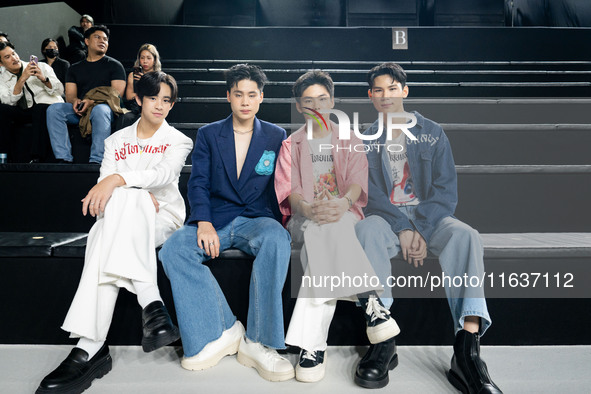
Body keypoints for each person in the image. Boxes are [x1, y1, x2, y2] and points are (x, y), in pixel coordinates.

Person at [36, 71, 193, 394]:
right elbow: (103, 200)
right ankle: (152, 305)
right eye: (153, 98)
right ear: (138, 99)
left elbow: (163, 175)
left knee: (103, 231)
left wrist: (120, 181)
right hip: (124, 219)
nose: (160, 106)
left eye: (167, 100)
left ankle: (89, 348)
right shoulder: (115, 141)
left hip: (163, 217)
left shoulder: (178, 140)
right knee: (107, 226)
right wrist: (130, 194)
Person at [354, 62, 503, 393]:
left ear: (404, 91)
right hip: (385, 216)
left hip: (429, 217)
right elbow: (367, 193)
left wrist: (419, 228)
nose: (385, 95)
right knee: (365, 232)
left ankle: (468, 350)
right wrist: (401, 226)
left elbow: (445, 190)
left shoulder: (432, 132)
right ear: (370, 96)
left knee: (466, 236)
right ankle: (383, 336)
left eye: (392, 88)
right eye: (378, 90)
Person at [159, 64, 294, 382]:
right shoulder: (208, 133)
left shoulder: (276, 136)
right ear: (228, 97)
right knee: (174, 248)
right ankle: (222, 329)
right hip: (216, 218)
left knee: (277, 239)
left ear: (261, 97)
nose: (245, 101)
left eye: (251, 95)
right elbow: (198, 182)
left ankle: (258, 342)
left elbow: (285, 181)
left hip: (256, 219)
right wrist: (203, 222)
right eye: (238, 95)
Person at [274, 70, 400, 383]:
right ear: (300, 106)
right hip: (305, 218)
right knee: (321, 228)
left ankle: (312, 347)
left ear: (331, 101)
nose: (316, 106)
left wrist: (342, 203)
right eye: (308, 101)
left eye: (322, 99)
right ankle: (371, 301)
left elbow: (357, 183)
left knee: (330, 233)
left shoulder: (349, 139)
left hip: (344, 214)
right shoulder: (292, 145)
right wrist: (308, 208)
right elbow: (290, 192)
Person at [46, 25, 126, 164]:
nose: (102, 41)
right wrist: (76, 101)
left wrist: (92, 102)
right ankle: (63, 158)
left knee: (99, 110)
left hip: (106, 109)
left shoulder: (115, 65)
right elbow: (70, 95)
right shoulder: (74, 68)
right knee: (54, 110)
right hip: (82, 109)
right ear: (87, 41)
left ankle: (97, 160)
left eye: (105, 39)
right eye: (98, 37)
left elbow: (116, 95)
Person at [0, 41, 63, 163]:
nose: (14, 58)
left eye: (14, 54)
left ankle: (37, 157)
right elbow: (8, 101)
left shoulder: (42, 66)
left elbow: (60, 90)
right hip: (27, 110)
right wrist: (22, 79)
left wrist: (44, 79)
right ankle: (3, 155)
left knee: (39, 108)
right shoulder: (2, 79)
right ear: (1, 64)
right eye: (7, 57)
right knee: (2, 109)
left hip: (47, 108)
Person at [118, 43, 162, 130]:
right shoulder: (133, 75)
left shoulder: (160, 76)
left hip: (153, 109)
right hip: (136, 108)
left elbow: (157, 95)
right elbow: (129, 96)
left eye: (149, 58)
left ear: (154, 60)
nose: (145, 61)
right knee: (125, 118)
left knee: (141, 119)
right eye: (142, 58)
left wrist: (145, 81)